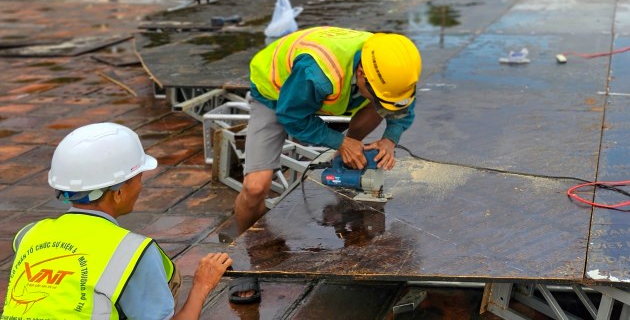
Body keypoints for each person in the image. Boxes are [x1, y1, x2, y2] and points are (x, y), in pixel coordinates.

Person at [230, 27, 421, 302]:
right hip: (277, 93)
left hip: (334, 87)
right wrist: (339, 141)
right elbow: (292, 117)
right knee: (255, 186)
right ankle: (244, 261)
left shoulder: (394, 65)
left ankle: (347, 156)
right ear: (361, 75)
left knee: (377, 104)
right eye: (379, 97)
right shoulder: (317, 72)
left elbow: (401, 103)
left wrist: (390, 139)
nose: (383, 106)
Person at [2, 123, 232, 319]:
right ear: (118, 192)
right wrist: (203, 285)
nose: (141, 187)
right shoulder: (134, 252)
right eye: (138, 178)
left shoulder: (29, 235)